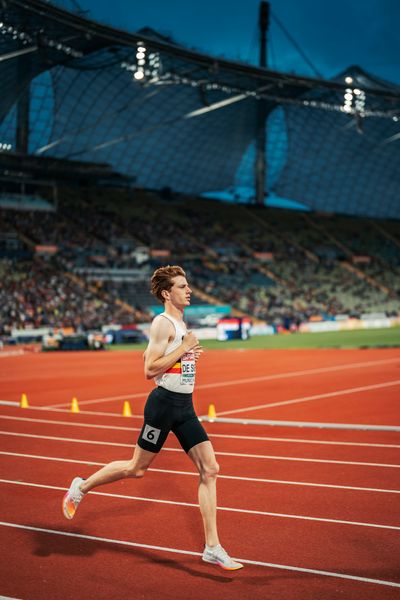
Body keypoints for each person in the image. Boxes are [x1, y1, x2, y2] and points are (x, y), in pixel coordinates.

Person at [62, 265, 243, 571]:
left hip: (184, 406)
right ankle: (81, 486)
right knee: (136, 469)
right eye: (182, 286)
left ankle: (212, 547)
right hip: (162, 406)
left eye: (187, 285)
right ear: (166, 293)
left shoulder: (180, 322)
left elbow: (169, 360)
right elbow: (148, 370)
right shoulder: (162, 323)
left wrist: (187, 356)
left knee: (210, 468)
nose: (189, 290)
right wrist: (183, 348)